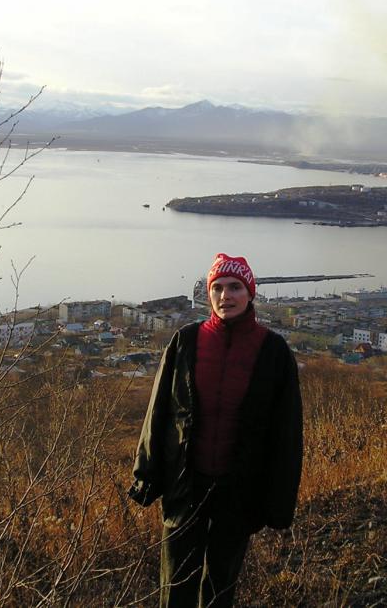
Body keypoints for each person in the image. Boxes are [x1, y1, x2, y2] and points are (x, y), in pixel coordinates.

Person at [128, 253, 303, 607]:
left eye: (235, 287)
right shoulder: (185, 342)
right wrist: (146, 474)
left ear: (250, 293)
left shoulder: (273, 352)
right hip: (185, 485)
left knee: (221, 586)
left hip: (238, 490)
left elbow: (286, 434)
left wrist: (280, 501)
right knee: (176, 584)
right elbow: (159, 411)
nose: (226, 296)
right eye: (218, 288)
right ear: (208, 294)